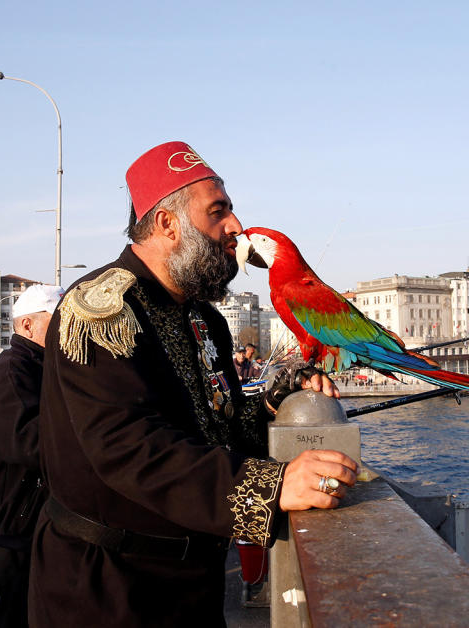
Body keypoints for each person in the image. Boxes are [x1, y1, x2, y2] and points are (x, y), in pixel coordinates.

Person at [29, 141, 357, 626]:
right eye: (218, 211)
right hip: (108, 590)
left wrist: (273, 402)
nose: (236, 227)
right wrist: (271, 488)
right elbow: (129, 450)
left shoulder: (204, 317)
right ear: (168, 224)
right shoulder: (101, 310)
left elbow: (212, 430)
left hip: (192, 582)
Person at [0, 284, 64, 628]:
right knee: (21, 612)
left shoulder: (42, 365)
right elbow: (24, 441)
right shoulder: (12, 371)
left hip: (33, 518)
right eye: (58, 322)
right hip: (16, 521)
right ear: (28, 326)